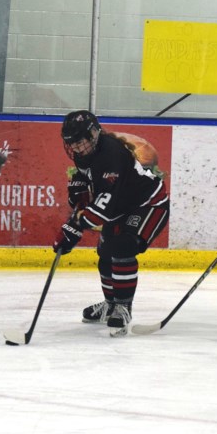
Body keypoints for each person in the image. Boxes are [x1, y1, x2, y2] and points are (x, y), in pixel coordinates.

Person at [53, 110, 170, 337]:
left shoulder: (112, 154)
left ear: (94, 133)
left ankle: (123, 307)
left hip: (148, 204)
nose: (76, 148)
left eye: (80, 141)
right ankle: (110, 304)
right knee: (105, 253)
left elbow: (102, 208)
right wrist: (78, 189)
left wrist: (74, 227)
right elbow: (89, 183)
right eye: (71, 143)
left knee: (124, 246)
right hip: (119, 207)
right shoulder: (85, 153)